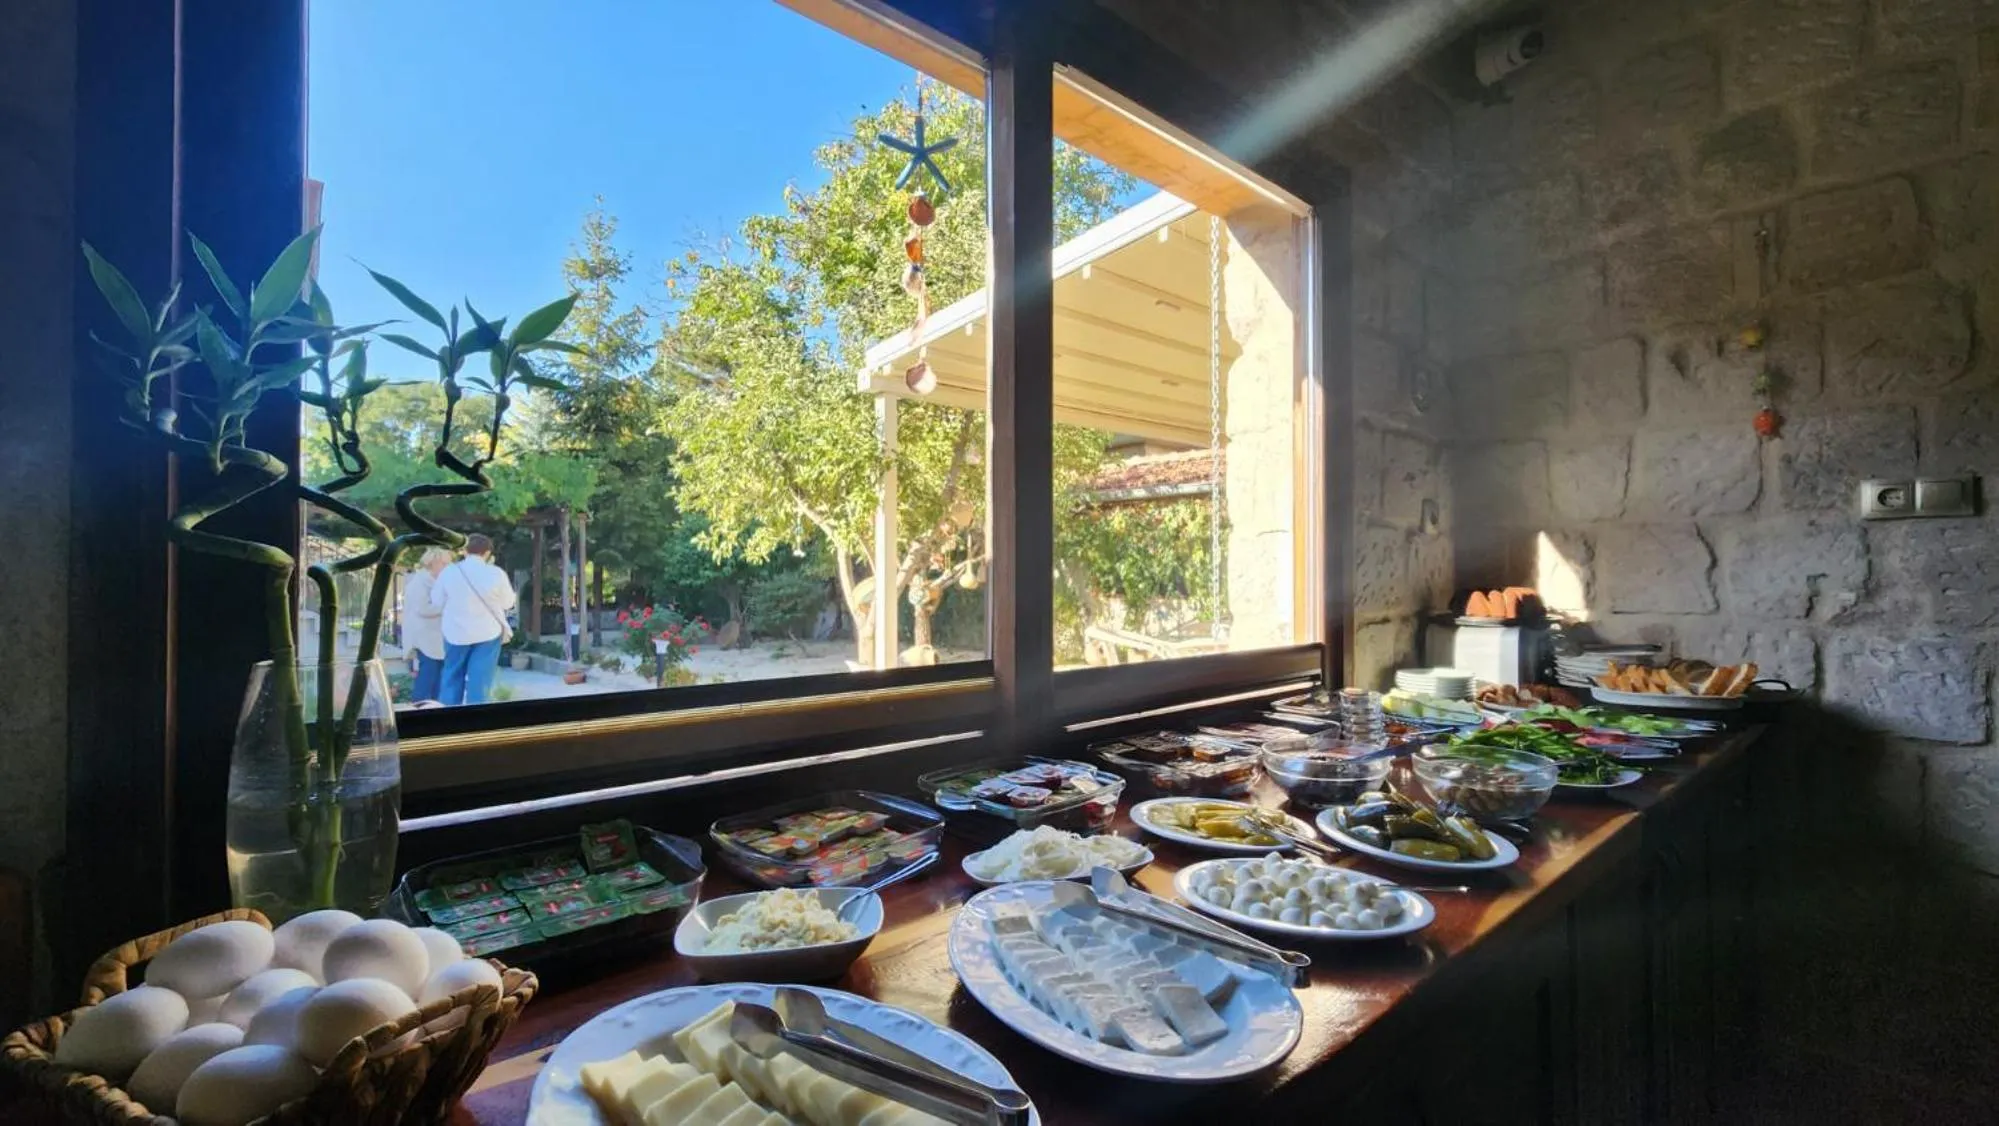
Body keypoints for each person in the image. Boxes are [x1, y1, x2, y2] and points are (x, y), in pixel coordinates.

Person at [430, 534, 517, 705]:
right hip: (488, 633)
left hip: (455, 633)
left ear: (464, 551)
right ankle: (476, 721)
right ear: (487, 553)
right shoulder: (496, 573)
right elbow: (508, 603)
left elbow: (436, 601)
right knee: (480, 680)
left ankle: (448, 721)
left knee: (451, 677)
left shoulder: (449, 572)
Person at [401, 548, 451, 703]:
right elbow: (424, 609)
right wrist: (447, 607)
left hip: (435, 637)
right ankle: (419, 707)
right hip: (424, 637)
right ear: (433, 563)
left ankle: (435, 708)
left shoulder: (435, 582)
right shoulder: (420, 582)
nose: (446, 567)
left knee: (438, 677)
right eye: (444, 563)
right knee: (427, 675)